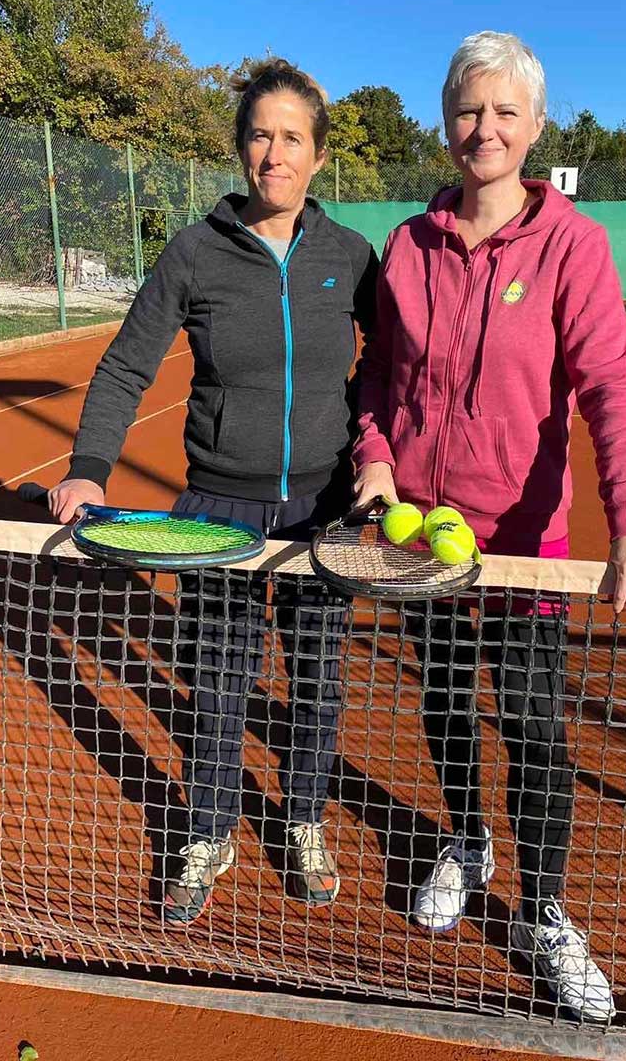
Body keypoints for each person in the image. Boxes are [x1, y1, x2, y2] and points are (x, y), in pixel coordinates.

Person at [352, 31, 626, 1021]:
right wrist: (374, 458)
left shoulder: (575, 246)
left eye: (503, 112)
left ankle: (543, 910)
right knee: (446, 701)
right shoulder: (408, 246)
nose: (483, 128)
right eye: (467, 109)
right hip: (422, 542)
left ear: (534, 128)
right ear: (446, 122)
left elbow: (610, 388)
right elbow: (377, 378)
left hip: (528, 547)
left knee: (533, 726)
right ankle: (466, 839)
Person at [49, 59, 378, 925]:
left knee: (317, 682)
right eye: (261, 135)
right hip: (217, 509)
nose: (276, 153)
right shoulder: (195, 251)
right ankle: (208, 830)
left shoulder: (349, 256)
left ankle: (303, 819)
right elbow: (126, 364)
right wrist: (89, 465)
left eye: (293, 138)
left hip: (324, 510)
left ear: (318, 156)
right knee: (220, 683)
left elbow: (394, 367)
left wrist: (378, 458)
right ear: (241, 149)